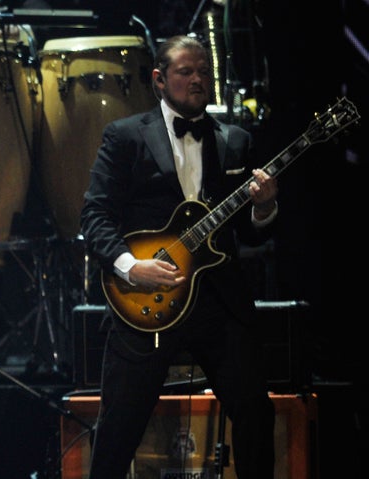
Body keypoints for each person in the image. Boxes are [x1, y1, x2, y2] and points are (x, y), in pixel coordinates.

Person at [80, 35, 279, 478]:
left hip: (218, 302)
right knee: (120, 426)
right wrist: (133, 267)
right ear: (159, 80)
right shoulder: (126, 136)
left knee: (255, 413)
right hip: (146, 301)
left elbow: (247, 229)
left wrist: (264, 206)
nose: (197, 80)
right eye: (186, 72)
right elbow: (94, 215)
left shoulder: (236, 140)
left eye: (203, 72)